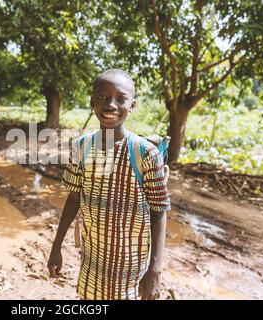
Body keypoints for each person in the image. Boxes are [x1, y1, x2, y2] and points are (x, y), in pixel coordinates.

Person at [47, 69, 171, 300]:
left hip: (132, 266)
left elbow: (159, 210)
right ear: (92, 101)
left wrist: (155, 270)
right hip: (92, 260)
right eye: (102, 97)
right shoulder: (82, 147)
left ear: (132, 105)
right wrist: (56, 247)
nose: (110, 105)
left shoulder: (145, 153)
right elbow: (74, 198)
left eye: (120, 98)